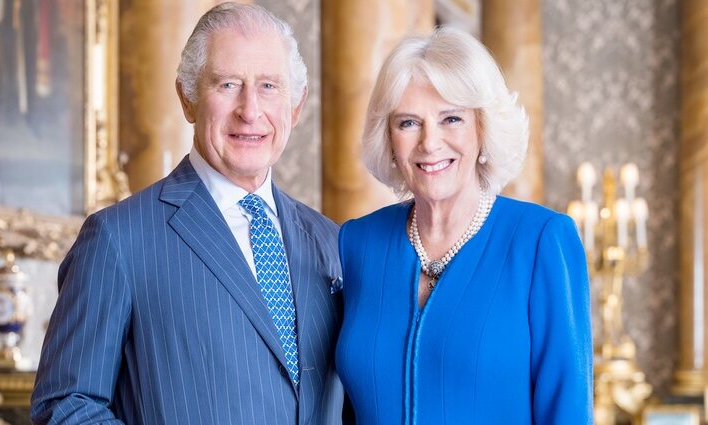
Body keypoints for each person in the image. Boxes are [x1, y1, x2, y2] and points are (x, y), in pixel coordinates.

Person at [31, 3, 347, 424]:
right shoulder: (117, 239)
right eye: (228, 84)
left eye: (269, 86)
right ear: (188, 98)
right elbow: (65, 405)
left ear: (296, 105)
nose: (250, 110)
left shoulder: (331, 241)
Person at [335, 26, 593, 424]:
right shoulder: (357, 243)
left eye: (451, 118)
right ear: (388, 137)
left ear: (482, 128)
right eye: (408, 123)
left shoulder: (540, 241)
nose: (430, 143)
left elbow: (568, 412)